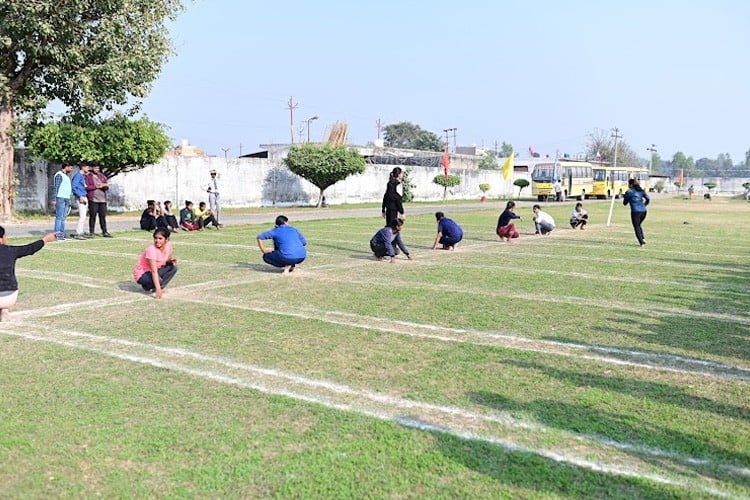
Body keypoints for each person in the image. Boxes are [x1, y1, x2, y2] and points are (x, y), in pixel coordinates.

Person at [0, 228, 56, 321]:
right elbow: (30, 248)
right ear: (2, 238)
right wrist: (45, 239)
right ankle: (4, 310)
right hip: (10, 296)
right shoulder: (11, 251)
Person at [133, 228, 178, 299]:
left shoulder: (168, 246)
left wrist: (171, 260)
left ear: (166, 239)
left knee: (173, 267)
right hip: (143, 273)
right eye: (156, 238)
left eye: (160, 238)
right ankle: (150, 285)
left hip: (154, 271)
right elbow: (154, 271)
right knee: (158, 280)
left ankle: (152, 286)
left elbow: (168, 258)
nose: (157, 240)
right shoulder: (151, 250)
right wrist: (158, 289)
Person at [85, 164, 112, 237]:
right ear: (92, 168)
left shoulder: (102, 176)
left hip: (102, 199)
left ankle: (104, 231)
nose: (97, 169)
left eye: (98, 168)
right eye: (95, 168)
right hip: (93, 199)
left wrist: (104, 186)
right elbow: (86, 187)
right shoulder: (88, 176)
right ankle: (91, 232)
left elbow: (106, 185)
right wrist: (96, 186)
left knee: (102, 216)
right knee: (93, 216)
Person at [623, 178, 650, 246]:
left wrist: (625, 197)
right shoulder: (641, 191)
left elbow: (625, 203)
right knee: (638, 225)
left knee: (636, 227)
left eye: (628, 184)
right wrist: (645, 205)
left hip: (635, 212)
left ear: (631, 185)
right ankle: (643, 238)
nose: (628, 185)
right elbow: (648, 198)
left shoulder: (629, 192)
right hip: (644, 211)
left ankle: (641, 242)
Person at [51, 163, 74, 241]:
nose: (71, 170)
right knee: (59, 217)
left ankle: (62, 234)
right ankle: (57, 234)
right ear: (66, 167)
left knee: (63, 218)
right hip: (60, 198)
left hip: (66, 198)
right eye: (70, 168)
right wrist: (54, 199)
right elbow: (56, 187)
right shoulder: (59, 175)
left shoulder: (66, 176)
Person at [71, 164, 90, 240]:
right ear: (83, 167)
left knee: (84, 216)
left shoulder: (82, 176)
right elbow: (73, 186)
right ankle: (78, 233)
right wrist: (80, 196)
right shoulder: (78, 175)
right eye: (87, 167)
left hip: (84, 196)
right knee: (82, 216)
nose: (88, 169)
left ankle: (81, 232)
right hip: (81, 197)